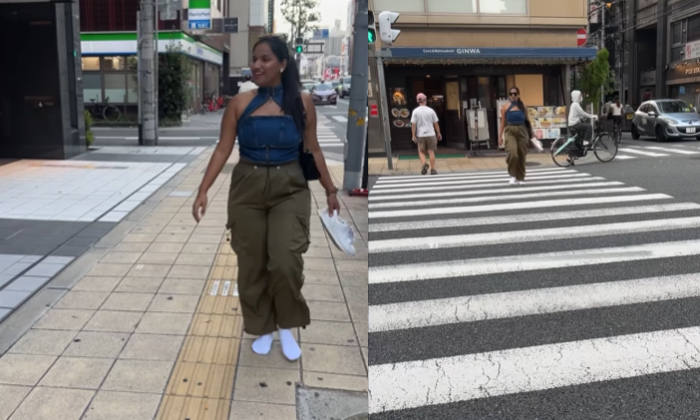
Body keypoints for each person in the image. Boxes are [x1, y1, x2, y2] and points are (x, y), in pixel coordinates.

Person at [192, 35, 341, 362]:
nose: (257, 65)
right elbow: (222, 149)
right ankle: (263, 327)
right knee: (251, 263)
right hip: (247, 186)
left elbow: (313, 149)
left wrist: (331, 190)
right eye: (254, 59)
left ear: (282, 64)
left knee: (286, 260)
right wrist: (202, 189)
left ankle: (287, 326)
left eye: (265, 59)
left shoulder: (302, 102)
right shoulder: (240, 103)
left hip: (291, 185)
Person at [498, 86, 533, 186]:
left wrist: (531, 134)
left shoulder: (523, 106)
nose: (513, 95)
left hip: (522, 131)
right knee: (512, 154)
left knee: (522, 154)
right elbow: (502, 123)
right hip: (510, 130)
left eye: (515, 93)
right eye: (511, 94)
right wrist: (500, 137)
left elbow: (527, 121)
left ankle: (520, 177)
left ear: (518, 95)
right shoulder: (505, 107)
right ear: (509, 95)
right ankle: (512, 175)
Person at [410, 93, 442, 175]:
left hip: (420, 134)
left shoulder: (415, 111)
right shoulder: (431, 111)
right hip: (431, 133)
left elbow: (413, 124)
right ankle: (433, 169)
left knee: (421, 151)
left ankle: (424, 163)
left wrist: (413, 135)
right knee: (431, 152)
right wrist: (438, 133)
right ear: (425, 100)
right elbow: (436, 124)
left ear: (418, 101)